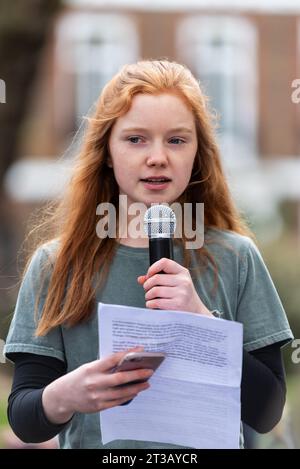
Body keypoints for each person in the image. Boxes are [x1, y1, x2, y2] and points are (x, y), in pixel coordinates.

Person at [4, 59, 293, 449]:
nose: (157, 157)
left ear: (197, 155)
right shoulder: (56, 266)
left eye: (176, 140)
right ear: (107, 150)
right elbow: (26, 420)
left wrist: (200, 321)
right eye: (136, 139)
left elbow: (267, 410)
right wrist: (68, 394)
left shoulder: (236, 258)